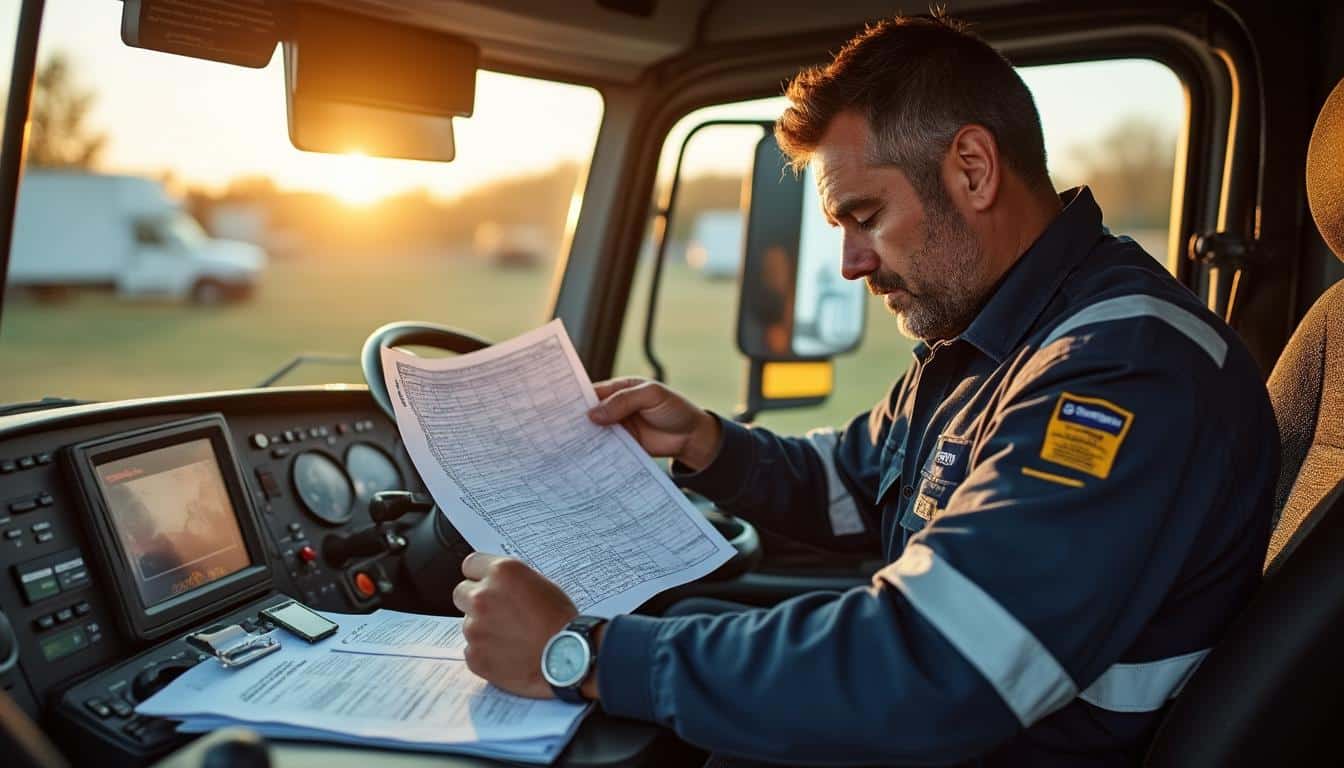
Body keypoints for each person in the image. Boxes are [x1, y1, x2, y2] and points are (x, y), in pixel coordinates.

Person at [451, 13, 1278, 765]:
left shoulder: (1124, 369)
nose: (851, 264)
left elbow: (933, 665)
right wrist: (706, 441)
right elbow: (852, 480)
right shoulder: (990, 342)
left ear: (973, 169)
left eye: (866, 216)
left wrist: (583, 654)